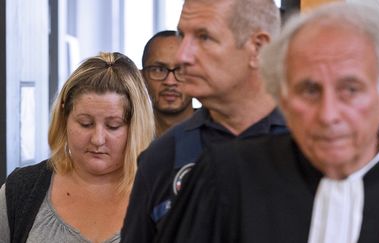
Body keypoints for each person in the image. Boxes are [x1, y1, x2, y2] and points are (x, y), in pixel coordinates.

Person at [154, 2, 379, 243]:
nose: (328, 115)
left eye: (350, 90)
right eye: (310, 90)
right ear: (284, 98)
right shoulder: (226, 175)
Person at [121, 0, 286, 242]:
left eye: (204, 37)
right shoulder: (161, 158)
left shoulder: (312, 147)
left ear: (258, 48)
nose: (183, 55)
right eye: (182, 35)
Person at [0, 52, 155, 243]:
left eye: (113, 126)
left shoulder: (161, 195)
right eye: (85, 123)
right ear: (64, 119)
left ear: (135, 127)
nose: (97, 139)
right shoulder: (22, 191)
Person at [142, 30, 195, 137]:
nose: (170, 82)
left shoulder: (220, 138)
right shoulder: (127, 138)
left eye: (181, 70)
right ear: (142, 77)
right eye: (158, 70)